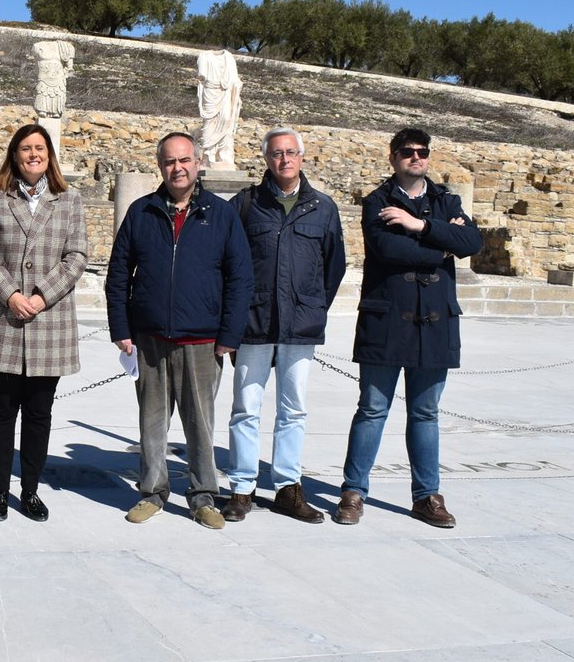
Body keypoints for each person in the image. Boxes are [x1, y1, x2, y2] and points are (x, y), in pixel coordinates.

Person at [337, 127, 483, 528]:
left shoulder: (446, 199)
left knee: (425, 413)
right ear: (393, 157)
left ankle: (427, 496)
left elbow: (471, 242)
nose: (415, 158)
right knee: (372, 409)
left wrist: (419, 227)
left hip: (435, 324)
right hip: (387, 322)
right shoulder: (377, 202)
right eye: (407, 152)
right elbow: (387, 249)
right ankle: (353, 491)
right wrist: (443, 242)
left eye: (421, 152)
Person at [106, 131, 253, 528]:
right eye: (170, 161)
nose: (178, 168)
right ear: (160, 166)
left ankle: (203, 495)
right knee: (152, 422)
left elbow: (240, 278)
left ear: (198, 162)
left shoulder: (220, 214)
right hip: (150, 336)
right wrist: (121, 327)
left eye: (185, 160)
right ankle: (152, 492)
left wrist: (229, 336)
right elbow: (119, 273)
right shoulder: (141, 212)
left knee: (200, 424)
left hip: (203, 339)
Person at [223, 127, 347, 523]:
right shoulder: (244, 205)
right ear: (266, 159)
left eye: (291, 152)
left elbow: (334, 265)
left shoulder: (322, 207)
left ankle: (287, 488)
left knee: (293, 410)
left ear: (302, 157)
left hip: (300, 325)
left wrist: (312, 305)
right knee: (246, 407)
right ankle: (242, 486)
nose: (285, 159)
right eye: (277, 153)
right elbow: (229, 265)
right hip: (254, 321)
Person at [0, 124, 87, 522]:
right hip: (4, 320)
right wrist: (13, 295)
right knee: (1, 411)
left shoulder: (69, 200)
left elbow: (76, 256)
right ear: (14, 156)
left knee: (39, 413)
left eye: (39, 148)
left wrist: (39, 297)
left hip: (48, 322)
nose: (33, 154)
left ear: (50, 154)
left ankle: (30, 490)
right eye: (25, 149)